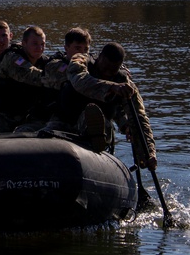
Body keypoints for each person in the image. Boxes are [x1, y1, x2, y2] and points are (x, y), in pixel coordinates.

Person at [65, 42, 157, 170]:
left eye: (112, 71)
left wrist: (149, 151)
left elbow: (139, 117)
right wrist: (111, 87)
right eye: (105, 68)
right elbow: (79, 81)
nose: (107, 73)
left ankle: (96, 140)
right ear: (100, 57)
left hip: (100, 127)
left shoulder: (125, 84)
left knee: (103, 121)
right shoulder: (80, 61)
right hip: (66, 122)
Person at [15, 27, 92, 132]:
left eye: (86, 49)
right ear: (66, 48)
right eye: (78, 49)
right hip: (55, 117)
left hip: (78, 117)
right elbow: (74, 75)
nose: (83, 54)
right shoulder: (56, 66)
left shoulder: (93, 65)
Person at [0, 25, 51, 133]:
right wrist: (60, 77)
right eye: (35, 44)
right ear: (24, 44)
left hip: (26, 113)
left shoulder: (44, 62)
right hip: (1, 112)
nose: (39, 48)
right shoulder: (13, 59)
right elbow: (31, 75)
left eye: (42, 44)